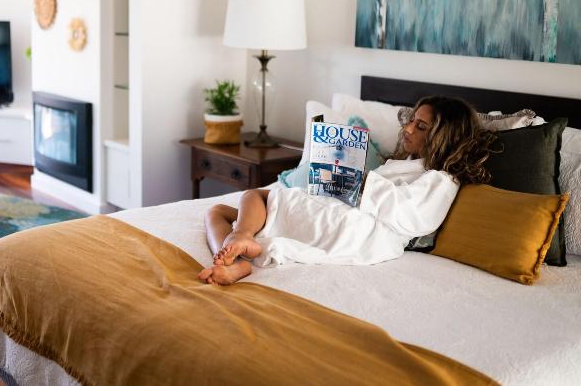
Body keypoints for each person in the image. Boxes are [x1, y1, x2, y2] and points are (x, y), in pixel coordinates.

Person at [197, 96, 496, 286]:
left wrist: (358, 180)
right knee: (219, 212)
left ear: (445, 137)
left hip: (358, 232)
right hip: (349, 222)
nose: (408, 129)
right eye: (411, 121)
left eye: (421, 127)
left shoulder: (442, 181)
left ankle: (241, 241)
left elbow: (415, 217)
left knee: (252, 198)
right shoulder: (407, 165)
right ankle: (238, 257)